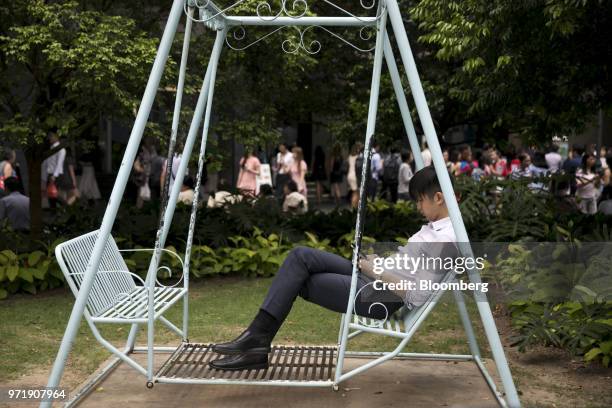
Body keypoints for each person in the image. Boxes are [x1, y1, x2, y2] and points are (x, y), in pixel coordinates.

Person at [208, 166, 457, 371]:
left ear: (438, 198)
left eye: (420, 201)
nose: (417, 207)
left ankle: (256, 345)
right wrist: (377, 263)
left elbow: (417, 294)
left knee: (298, 280)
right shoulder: (435, 228)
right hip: (372, 279)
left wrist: (376, 271)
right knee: (300, 256)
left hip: (378, 296)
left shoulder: (447, 240)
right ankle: (256, 340)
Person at [42, 132, 66, 208]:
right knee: (50, 195)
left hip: (56, 175)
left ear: (56, 136)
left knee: (55, 195)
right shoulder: (51, 148)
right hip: (50, 174)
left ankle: (65, 207)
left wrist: (54, 175)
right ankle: (55, 211)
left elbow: (59, 163)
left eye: (51, 136)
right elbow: (47, 163)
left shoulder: (60, 149)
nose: (49, 138)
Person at [347, 142, 361, 208]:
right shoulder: (357, 157)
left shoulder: (350, 156)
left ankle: (355, 206)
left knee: (354, 192)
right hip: (355, 176)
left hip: (349, 175)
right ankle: (353, 207)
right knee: (356, 192)